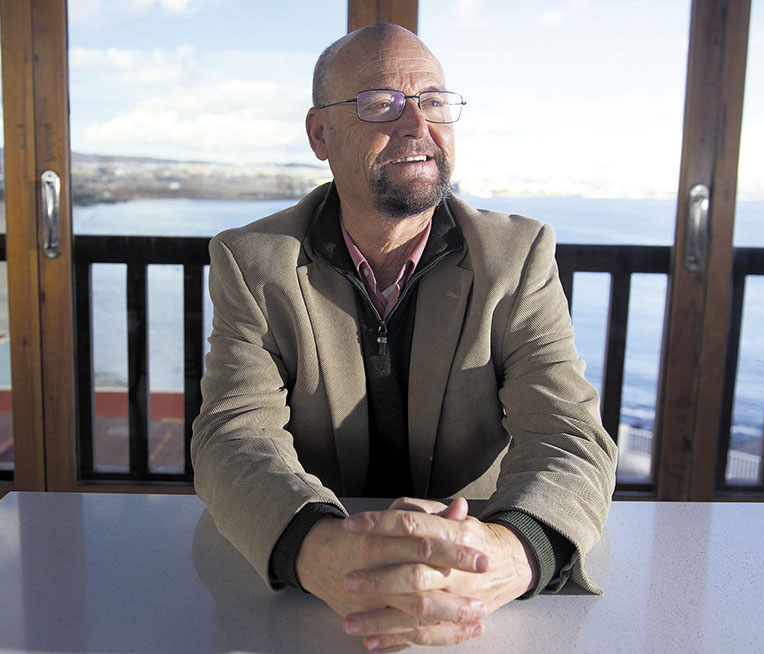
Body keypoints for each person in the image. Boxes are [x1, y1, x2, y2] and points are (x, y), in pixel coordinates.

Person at [192, 23, 617, 650]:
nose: (418, 127)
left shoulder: (517, 256)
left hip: (472, 571)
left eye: (435, 101)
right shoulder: (254, 262)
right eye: (381, 103)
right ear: (320, 134)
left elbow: (569, 433)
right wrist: (317, 548)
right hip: (320, 589)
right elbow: (232, 435)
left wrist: (505, 553)